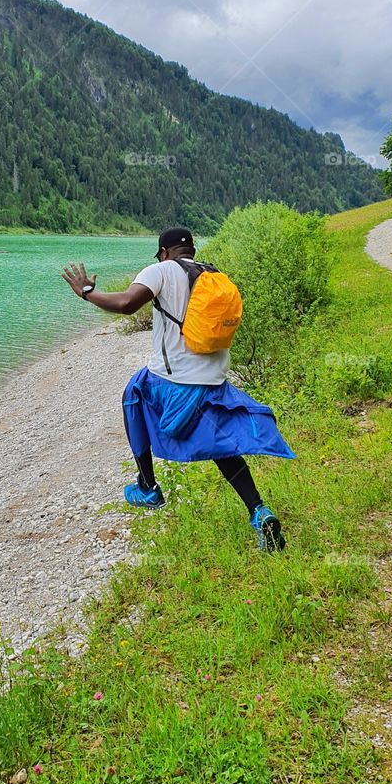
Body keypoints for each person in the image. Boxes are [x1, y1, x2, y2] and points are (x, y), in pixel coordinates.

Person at [62, 226, 294, 551]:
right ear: (192, 252)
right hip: (213, 381)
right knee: (223, 449)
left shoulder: (160, 270)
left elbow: (128, 303)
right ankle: (259, 511)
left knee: (134, 394)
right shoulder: (213, 274)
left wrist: (87, 293)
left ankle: (148, 486)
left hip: (174, 380)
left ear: (164, 252)